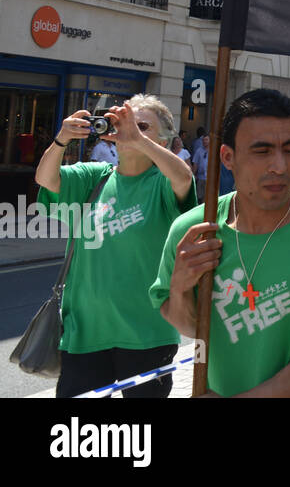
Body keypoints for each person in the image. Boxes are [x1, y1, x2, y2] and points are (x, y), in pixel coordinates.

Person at [152, 89, 290, 396]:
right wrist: (180, 288)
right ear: (227, 157)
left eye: (289, 150)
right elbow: (192, 329)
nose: (280, 167)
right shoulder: (194, 232)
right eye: (262, 151)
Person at [35, 97, 196, 397]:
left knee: (139, 439)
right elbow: (46, 178)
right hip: (85, 333)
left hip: (147, 335)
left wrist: (137, 138)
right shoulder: (94, 178)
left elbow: (183, 177)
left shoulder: (162, 183)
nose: (130, 130)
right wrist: (61, 140)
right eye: (125, 123)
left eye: (142, 126)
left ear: (165, 140)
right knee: (77, 439)